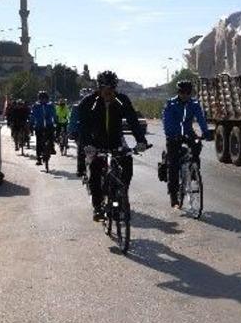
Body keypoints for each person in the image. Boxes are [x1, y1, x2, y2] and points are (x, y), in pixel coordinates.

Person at [77, 71, 148, 221]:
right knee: (95, 171)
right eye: (104, 88)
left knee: (127, 162)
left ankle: (121, 194)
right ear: (99, 88)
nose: (108, 91)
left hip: (116, 139)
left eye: (112, 88)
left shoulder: (122, 100)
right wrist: (87, 145)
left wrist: (141, 141)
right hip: (96, 141)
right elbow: (82, 127)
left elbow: (133, 121)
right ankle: (97, 207)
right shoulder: (89, 102)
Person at [161, 80, 211, 207]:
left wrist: (206, 132)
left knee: (197, 145)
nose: (185, 95)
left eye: (188, 93)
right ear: (178, 92)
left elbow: (200, 118)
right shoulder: (170, 104)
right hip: (173, 135)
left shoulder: (194, 104)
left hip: (188, 133)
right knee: (173, 164)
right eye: (183, 92)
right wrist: (173, 135)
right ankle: (173, 196)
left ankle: (194, 170)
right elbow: (167, 122)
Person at [69, 88, 93, 176]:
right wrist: (72, 131)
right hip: (81, 131)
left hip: (94, 131)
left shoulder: (97, 106)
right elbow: (73, 120)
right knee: (81, 149)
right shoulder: (77, 107)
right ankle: (81, 169)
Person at [29, 91, 57, 165]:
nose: (43, 100)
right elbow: (32, 115)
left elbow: (54, 114)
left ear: (47, 99)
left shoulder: (50, 105)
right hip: (39, 126)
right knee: (39, 142)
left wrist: (56, 121)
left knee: (51, 137)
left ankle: (52, 147)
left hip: (49, 125)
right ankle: (39, 159)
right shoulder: (36, 106)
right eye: (41, 98)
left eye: (45, 98)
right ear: (39, 99)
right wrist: (31, 124)